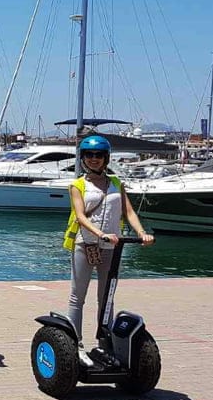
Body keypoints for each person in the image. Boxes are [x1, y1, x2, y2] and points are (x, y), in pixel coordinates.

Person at [63, 135, 154, 365]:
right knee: (77, 297)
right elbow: (81, 216)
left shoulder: (116, 183)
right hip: (85, 244)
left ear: (106, 158)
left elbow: (129, 212)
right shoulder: (77, 185)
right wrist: (99, 233)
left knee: (107, 298)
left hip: (111, 247)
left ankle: (105, 344)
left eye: (99, 155)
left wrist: (141, 232)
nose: (94, 159)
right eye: (89, 155)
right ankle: (76, 344)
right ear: (83, 158)